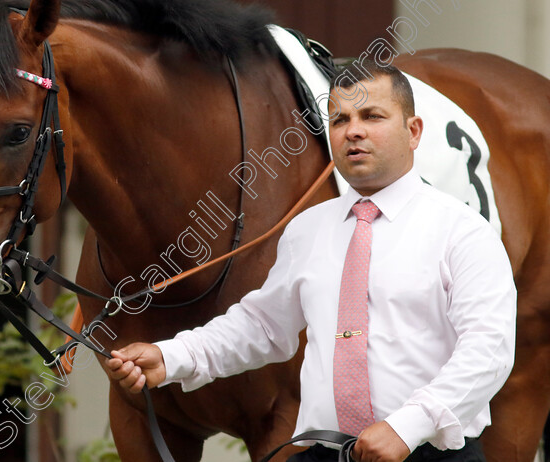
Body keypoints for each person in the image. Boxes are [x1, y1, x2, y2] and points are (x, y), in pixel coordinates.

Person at [106, 60, 517, 462]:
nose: (353, 130)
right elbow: (263, 325)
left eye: (371, 116)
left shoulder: (462, 231)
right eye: (339, 120)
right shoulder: (308, 229)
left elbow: (488, 352)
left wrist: (407, 427)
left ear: (413, 132)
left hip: (430, 453)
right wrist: (172, 357)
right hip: (324, 452)